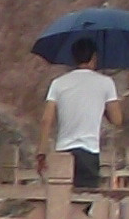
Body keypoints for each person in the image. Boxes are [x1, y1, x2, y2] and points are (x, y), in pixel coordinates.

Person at [44, 38, 117, 194]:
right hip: (89, 151)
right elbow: (117, 120)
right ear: (94, 57)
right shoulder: (106, 83)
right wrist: (102, 104)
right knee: (84, 203)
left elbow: (46, 120)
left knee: (59, 201)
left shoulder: (58, 83)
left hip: (63, 150)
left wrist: (41, 152)